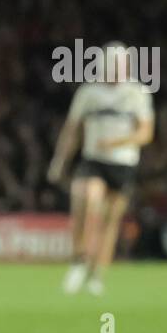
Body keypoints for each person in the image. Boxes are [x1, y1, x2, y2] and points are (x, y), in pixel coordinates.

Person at [48, 45, 155, 296]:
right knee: (85, 198)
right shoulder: (89, 92)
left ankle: (97, 274)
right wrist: (59, 161)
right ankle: (79, 259)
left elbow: (145, 133)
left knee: (110, 220)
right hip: (94, 160)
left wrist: (116, 143)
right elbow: (72, 129)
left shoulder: (137, 93)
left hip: (123, 163)